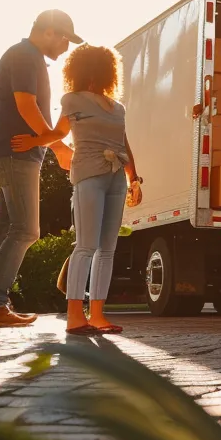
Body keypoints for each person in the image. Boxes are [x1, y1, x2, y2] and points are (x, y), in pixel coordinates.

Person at [0, 9, 80, 327]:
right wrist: (57, 145)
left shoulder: (26, 56)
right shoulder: (25, 56)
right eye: (64, 39)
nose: (66, 47)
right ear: (48, 32)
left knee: (5, 229)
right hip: (14, 153)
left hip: (11, 151)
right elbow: (25, 104)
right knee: (26, 230)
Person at [53, 45, 141, 335]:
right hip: (88, 174)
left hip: (116, 176)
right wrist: (36, 139)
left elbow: (123, 142)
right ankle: (75, 316)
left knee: (108, 250)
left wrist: (134, 178)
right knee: (86, 245)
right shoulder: (72, 99)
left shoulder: (118, 107)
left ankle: (98, 315)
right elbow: (58, 134)